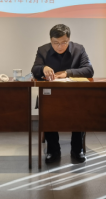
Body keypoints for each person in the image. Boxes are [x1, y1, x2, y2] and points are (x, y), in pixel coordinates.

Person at [31, 24, 94, 164]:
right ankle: (53, 150)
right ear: (51, 40)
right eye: (56, 43)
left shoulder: (79, 49)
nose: (60, 47)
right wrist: (43, 68)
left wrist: (67, 73)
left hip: (74, 95)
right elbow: (34, 69)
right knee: (47, 110)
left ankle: (77, 149)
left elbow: (89, 70)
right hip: (50, 95)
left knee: (80, 110)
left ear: (69, 39)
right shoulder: (43, 50)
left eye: (64, 42)